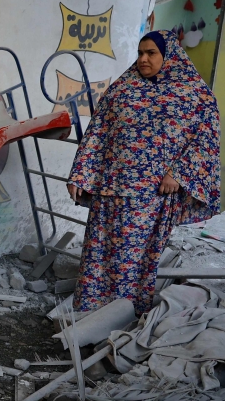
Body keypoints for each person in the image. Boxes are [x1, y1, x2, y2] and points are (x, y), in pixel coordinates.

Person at [67, 31, 221, 315]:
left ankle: (124, 314)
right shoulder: (122, 89)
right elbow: (97, 131)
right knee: (98, 253)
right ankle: (90, 313)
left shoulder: (194, 95)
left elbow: (206, 138)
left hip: (151, 195)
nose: (143, 59)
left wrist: (179, 173)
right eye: (140, 52)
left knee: (134, 258)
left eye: (151, 53)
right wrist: (81, 173)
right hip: (111, 187)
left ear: (169, 55)